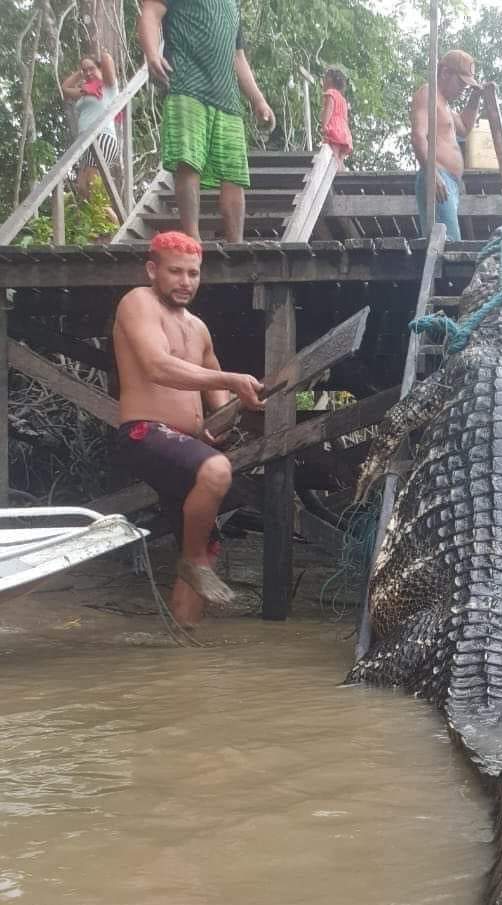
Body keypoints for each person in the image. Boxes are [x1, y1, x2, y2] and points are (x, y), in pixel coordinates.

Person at [113, 231, 265, 625]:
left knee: (205, 546)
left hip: (184, 445)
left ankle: (184, 639)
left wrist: (228, 414)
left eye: (193, 274)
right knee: (216, 469)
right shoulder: (138, 302)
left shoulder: (198, 327)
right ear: (153, 270)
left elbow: (216, 389)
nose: (185, 282)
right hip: (144, 434)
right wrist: (231, 380)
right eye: (176, 272)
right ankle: (193, 560)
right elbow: (157, 366)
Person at [136, 0, 276, 243]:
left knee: (234, 174)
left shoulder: (232, 6)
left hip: (227, 98)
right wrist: (152, 53)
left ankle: (236, 244)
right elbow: (151, 12)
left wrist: (258, 100)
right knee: (188, 161)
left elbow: (238, 57)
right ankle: (192, 237)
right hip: (187, 85)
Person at [410, 49, 484, 241]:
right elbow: (418, 136)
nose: (463, 89)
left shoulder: (445, 105)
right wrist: (432, 174)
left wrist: (476, 97)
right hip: (437, 177)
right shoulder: (428, 94)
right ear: (445, 73)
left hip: (448, 183)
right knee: (448, 248)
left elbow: (464, 127)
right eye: (461, 83)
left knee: (448, 245)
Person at [61, 49, 119, 204]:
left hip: (102, 136)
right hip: (86, 142)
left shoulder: (108, 86)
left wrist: (99, 58)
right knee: (82, 187)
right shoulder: (85, 92)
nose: (88, 73)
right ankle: (100, 214)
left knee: (93, 184)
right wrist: (81, 74)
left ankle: (114, 218)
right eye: (84, 70)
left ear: (99, 68)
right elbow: (65, 89)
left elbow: (107, 58)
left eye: (91, 68)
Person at [320, 66, 352, 169]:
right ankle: (342, 173)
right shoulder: (343, 100)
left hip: (334, 130)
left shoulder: (331, 93)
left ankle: (336, 174)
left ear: (329, 80)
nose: (323, 82)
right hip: (344, 131)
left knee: (333, 156)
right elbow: (345, 118)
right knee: (339, 158)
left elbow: (329, 109)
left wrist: (324, 124)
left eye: (324, 79)